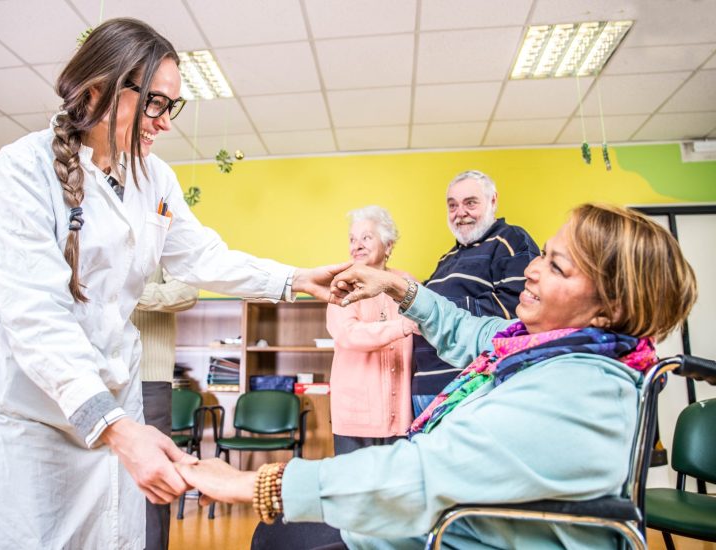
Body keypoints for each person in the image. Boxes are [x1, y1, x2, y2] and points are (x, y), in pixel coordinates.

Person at [0, 18, 345, 549]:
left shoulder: (154, 177)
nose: (165, 122)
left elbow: (203, 256)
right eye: (155, 104)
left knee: (112, 533)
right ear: (97, 89)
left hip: (111, 387)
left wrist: (296, 278)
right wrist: (116, 427)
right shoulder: (24, 167)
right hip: (33, 400)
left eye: (172, 106)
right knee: (32, 535)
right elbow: (34, 313)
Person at [176, 204, 697, 550]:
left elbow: (421, 476)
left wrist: (256, 483)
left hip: (457, 534)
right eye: (542, 253)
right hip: (456, 519)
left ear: (610, 308)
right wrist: (400, 290)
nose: (531, 269)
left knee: (281, 535)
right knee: (286, 532)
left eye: (557, 267)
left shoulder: (578, 390)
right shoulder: (546, 350)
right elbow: (469, 331)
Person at [411, 170, 539, 416]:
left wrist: (432, 310)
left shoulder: (511, 239)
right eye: (452, 205)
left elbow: (517, 309)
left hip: (468, 387)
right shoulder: (446, 258)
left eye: (470, 203)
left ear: (493, 201)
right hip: (424, 387)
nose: (460, 212)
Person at [326, 206, 418, 455]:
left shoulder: (407, 283)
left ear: (388, 246)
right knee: (352, 479)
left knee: (397, 479)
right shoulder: (342, 285)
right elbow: (348, 334)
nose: (357, 245)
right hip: (355, 415)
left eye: (366, 238)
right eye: (352, 239)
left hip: (400, 415)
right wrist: (403, 326)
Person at [131, 266, 198, 550]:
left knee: (153, 480)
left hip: (149, 376)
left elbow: (187, 291)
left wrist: (129, 293)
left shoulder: (162, 241)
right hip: (95, 376)